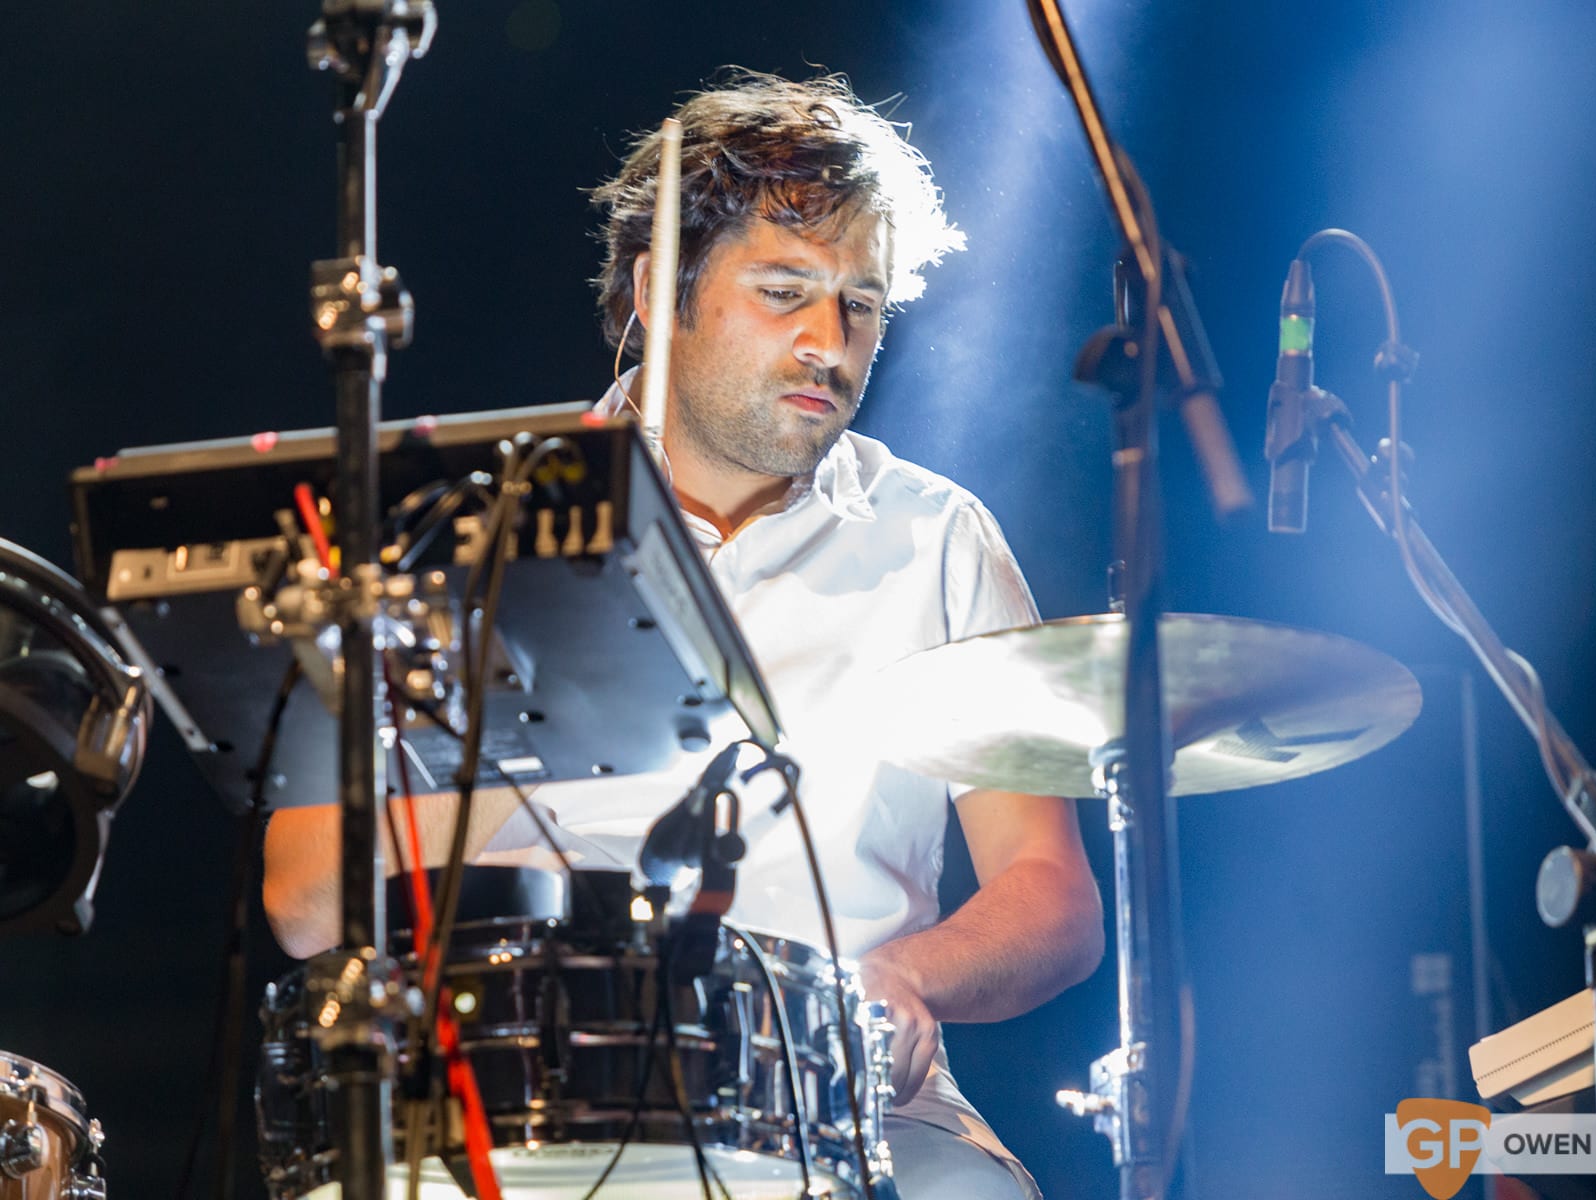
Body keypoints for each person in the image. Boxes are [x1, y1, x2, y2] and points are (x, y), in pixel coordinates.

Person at [264, 69, 1103, 1199]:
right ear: (663, 290)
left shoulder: (936, 537)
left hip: (844, 1115)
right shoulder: (464, 527)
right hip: (509, 1113)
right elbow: (305, 898)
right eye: (783, 289)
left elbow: (1050, 897)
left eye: (861, 301)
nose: (829, 340)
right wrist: (559, 746)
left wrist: (908, 974)